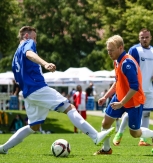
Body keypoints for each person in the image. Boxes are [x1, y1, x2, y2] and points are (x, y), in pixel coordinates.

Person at [0, 26, 114, 154]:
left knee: (34, 126)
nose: (35, 42)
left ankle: (3, 148)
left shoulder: (15, 56)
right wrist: (45, 64)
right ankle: (95, 136)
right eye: (34, 38)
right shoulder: (28, 43)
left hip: (28, 93)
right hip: (38, 88)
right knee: (69, 107)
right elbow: (29, 53)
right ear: (26, 36)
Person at [94, 35, 153, 155]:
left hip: (133, 100)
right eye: (108, 50)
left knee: (134, 133)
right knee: (105, 123)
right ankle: (106, 149)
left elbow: (134, 87)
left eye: (111, 50)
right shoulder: (116, 61)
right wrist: (106, 96)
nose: (109, 53)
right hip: (120, 98)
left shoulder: (127, 63)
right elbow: (118, 82)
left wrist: (121, 103)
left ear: (120, 48)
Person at [113, 28, 153, 146]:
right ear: (139, 38)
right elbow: (129, 67)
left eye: (147, 37)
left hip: (149, 88)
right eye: (142, 37)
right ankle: (120, 133)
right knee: (130, 113)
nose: (144, 39)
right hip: (136, 90)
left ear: (150, 37)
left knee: (146, 114)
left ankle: (143, 140)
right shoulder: (134, 50)